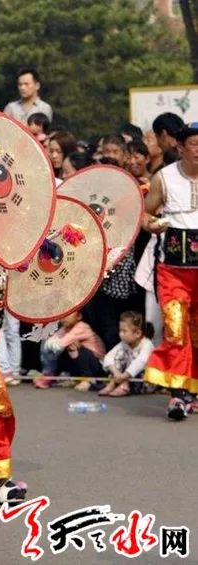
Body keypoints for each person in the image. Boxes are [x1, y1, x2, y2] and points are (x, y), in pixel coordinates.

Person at [143, 121, 198, 421]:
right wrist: (151, 224)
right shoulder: (163, 178)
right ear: (180, 147)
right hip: (174, 271)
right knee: (176, 329)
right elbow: (145, 214)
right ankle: (178, 395)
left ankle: (194, 390)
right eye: (194, 144)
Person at [37, 310, 106, 389]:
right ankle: (51, 375)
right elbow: (53, 341)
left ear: (79, 316)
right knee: (55, 346)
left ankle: (88, 380)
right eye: (63, 314)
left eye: (68, 314)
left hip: (97, 366)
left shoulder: (82, 327)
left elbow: (59, 344)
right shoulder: (66, 328)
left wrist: (50, 342)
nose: (64, 317)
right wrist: (49, 341)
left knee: (73, 347)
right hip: (84, 364)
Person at [100, 311, 154, 397]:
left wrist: (124, 376)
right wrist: (117, 373)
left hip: (142, 382)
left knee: (135, 360)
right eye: (120, 330)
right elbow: (108, 357)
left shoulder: (147, 344)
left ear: (137, 333)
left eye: (124, 331)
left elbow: (141, 362)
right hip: (124, 378)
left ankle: (123, 385)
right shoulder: (124, 343)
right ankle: (116, 383)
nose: (120, 334)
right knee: (118, 354)